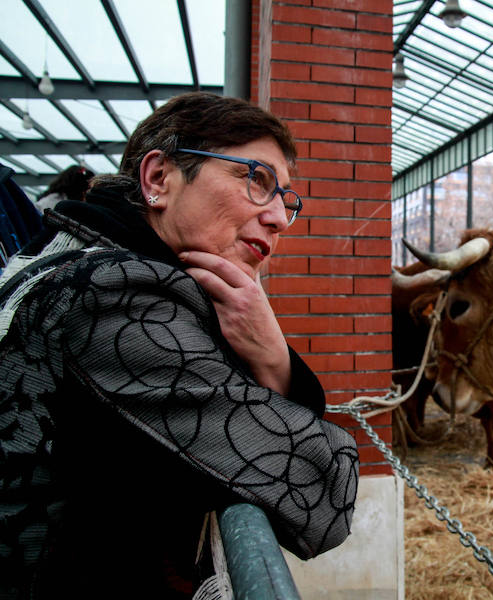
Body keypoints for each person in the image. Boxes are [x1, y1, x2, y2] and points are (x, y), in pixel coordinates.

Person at [0, 92, 359, 599]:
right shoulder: (112, 296)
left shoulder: (66, 257)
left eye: (285, 198)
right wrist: (273, 357)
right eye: (256, 179)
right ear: (158, 179)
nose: (279, 216)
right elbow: (324, 491)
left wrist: (272, 358)